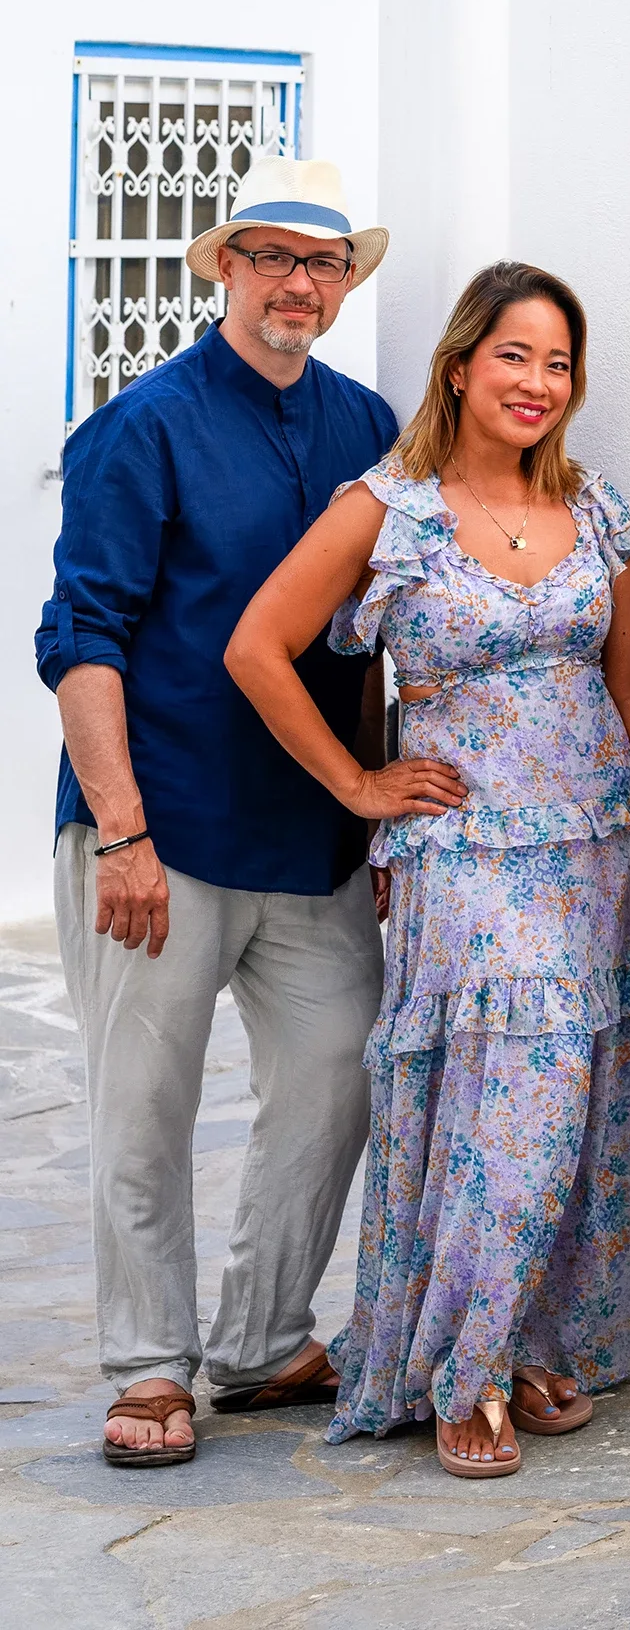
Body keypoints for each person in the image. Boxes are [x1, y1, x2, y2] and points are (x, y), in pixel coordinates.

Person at [225, 260, 630, 1481]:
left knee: (553, 1104)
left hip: (589, 844)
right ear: (460, 365)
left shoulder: (593, 509)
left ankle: (518, 1334)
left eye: (558, 363)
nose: (537, 382)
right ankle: (463, 1366)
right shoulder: (390, 507)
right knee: (515, 1099)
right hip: (465, 857)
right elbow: (258, 646)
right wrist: (357, 784)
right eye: (514, 356)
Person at [35, 156, 397, 1470]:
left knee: (336, 1076)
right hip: (163, 830)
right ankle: (148, 1366)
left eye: (324, 263)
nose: (300, 284)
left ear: (345, 283)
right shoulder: (141, 427)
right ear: (227, 268)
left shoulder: (371, 428)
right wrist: (121, 834)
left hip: (312, 835)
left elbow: (379, 641)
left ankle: (260, 1341)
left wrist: (383, 816)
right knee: (144, 1104)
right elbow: (81, 639)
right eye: (274, 258)